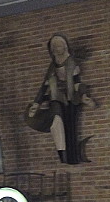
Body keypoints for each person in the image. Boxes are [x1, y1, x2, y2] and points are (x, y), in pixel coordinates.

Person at [26, 34, 96, 164]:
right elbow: (45, 85)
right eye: (55, 46)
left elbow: (77, 82)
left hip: (71, 99)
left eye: (60, 45)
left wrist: (83, 96)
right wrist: (37, 102)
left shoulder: (71, 62)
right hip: (57, 98)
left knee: (70, 127)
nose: (58, 48)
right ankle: (62, 155)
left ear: (65, 46)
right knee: (56, 119)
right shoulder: (53, 66)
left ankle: (72, 157)